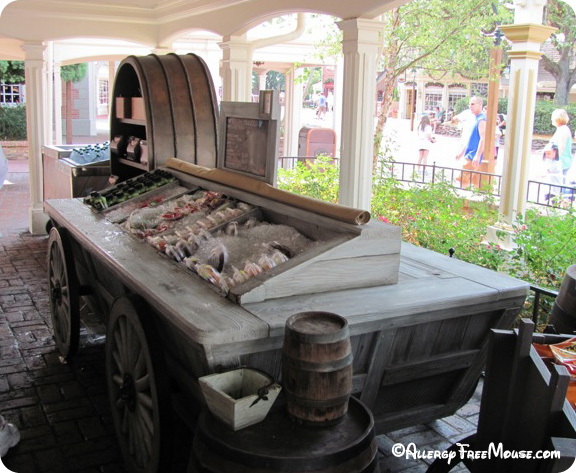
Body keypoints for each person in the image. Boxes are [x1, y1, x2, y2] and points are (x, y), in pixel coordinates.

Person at [455, 96, 486, 188]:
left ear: (480, 104)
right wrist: (462, 152)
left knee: (461, 181)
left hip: (473, 156)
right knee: (475, 183)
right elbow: (471, 138)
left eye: (473, 104)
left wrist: (477, 155)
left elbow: (483, 138)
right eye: (470, 104)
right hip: (470, 155)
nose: (470, 106)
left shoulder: (481, 119)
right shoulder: (475, 119)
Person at [549, 108, 573, 184]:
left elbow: (561, 147)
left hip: (562, 162)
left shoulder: (563, 130)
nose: (551, 118)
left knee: (559, 184)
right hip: (561, 161)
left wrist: (555, 160)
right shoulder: (561, 129)